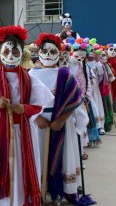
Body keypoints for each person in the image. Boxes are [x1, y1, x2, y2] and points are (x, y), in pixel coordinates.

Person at [0, 25, 54, 206]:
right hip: (1, 134)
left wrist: (23, 108)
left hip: (23, 133)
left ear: (22, 53)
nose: (10, 55)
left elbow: (39, 105)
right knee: (3, 166)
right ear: (0, 53)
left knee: (21, 168)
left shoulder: (30, 78)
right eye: (6, 51)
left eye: (14, 51)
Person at [29, 33, 88, 205]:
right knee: (39, 155)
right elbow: (24, 100)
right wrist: (37, 117)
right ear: (38, 53)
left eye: (52, 51)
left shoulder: (66, 75)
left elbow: (75, 101)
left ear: (59, 54)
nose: (48, 54)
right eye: (44, 51)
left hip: (62, 123)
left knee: (62, 156)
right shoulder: (31, 75)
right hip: (38, 124)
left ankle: (62, 190)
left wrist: (61, 119)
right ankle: (41, 189)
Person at [106, 43, 116, 112]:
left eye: (115, 50)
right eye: (111, 49)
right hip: (105, 82)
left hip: (114, 82)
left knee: (113, 97)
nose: (112, 52)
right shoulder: (104, 59)